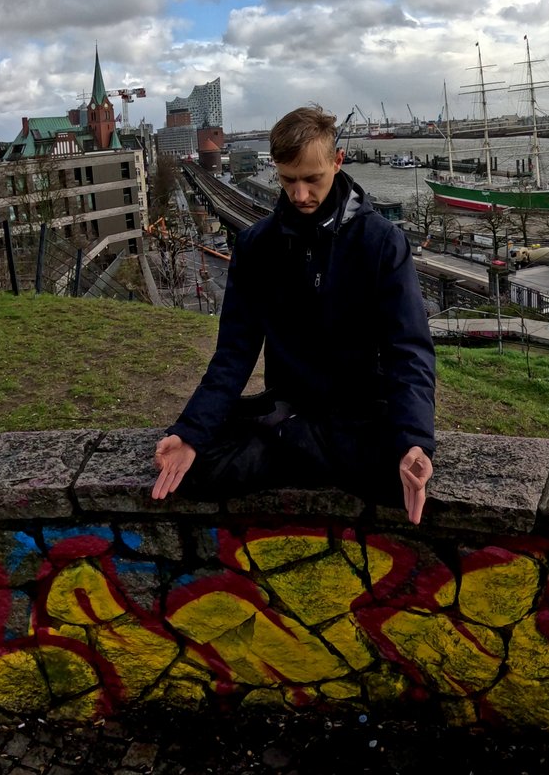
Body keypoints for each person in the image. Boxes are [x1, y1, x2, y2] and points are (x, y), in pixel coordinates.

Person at [152, 105, 436, 523]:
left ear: (337, 162)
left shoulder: (382, 243)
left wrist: (415, 441)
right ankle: (304, 446)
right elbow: (234, 352)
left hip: (356, 412)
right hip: (292, 409)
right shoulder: (255, 247)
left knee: (404, 475)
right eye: (288, 181)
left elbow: (408, 349)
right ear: (276, 169)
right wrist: (191, 433)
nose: (300, 195)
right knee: (193, 465)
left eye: (312, 179)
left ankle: (293, 446)